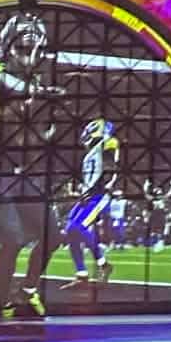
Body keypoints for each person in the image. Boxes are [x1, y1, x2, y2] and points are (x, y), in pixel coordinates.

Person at [0, 9, 63, 318]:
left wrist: (42, 132)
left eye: (36, 48)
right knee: (14, 239)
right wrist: (32, 102)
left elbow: (29, 138)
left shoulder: (31, 83)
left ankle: (29, 288)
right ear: (8, 46)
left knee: (52, 235)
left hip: (20, 173)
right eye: (23, 48)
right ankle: (2, 299)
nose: (31, 55)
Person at [64, 118, 121, 287]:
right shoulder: (91, 152)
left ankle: (104, 264)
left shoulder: (107, 142)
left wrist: (105, 186)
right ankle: (81, 273)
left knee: (77, 227)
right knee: (70, 230)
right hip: (88, 195)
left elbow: (111, 167)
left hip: (99, 196)